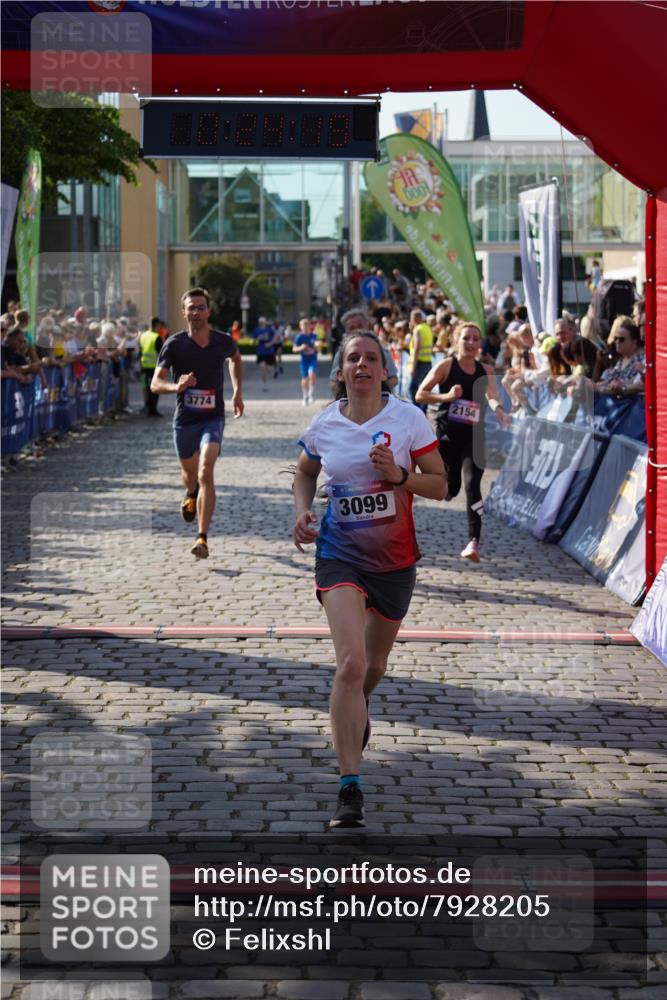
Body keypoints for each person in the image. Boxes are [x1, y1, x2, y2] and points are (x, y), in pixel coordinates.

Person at [293, 330, 446, 828]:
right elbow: (305, 472)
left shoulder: (407, 419)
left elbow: (443, 485)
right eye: (352, 358)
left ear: (385, 370)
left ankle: (356, 707)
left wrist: (401, 477)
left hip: (396, 563)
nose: (361, 365)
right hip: (339, 555)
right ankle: (349, 788)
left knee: (374, 666)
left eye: (371, 358)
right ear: (341, 371)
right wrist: (300, 511)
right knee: (351, 665)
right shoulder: (325, 425)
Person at [151, 287, 244, 559]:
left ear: (209, 311)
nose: (196, 312)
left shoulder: (222, 341)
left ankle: (202, 537)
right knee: (190, 476)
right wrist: (176, 386)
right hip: (185, 420)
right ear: (184, 313)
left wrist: (238, 390)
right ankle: (190, 492)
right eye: (191, 308)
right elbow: (156, 384)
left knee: (206, 471)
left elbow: (235, 358)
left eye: (200, 307)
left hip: (212, 418)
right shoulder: (174, 344)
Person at [416, 322, 511, 564]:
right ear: (457, 340)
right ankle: (448, 489)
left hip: (474, 437)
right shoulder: (447, 366)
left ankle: (474, 541)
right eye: (466, 338)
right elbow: (421, 394)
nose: (471, 343)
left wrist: (499, 410)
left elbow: (492, 396)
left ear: (480, 344)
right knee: (451, 488)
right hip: (448, 435)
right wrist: (446, 396)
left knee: (472, 485)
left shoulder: (486, 370)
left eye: (475, 339)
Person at [329, 309, 398, 395]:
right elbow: (333, 382)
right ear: (346, 331)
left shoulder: (382, 351)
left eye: (360, 326)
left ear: (367, 326)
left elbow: (394, 379)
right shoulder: (340, 355)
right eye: (351, 328)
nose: (356, 330)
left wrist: (373, 388)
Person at [407, 308, 434, 410]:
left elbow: (417, 347)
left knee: (412, 388)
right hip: (428, 362)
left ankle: (417, 410)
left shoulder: (418, 329)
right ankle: (423, 410)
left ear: (415, 318)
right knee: (425, 389)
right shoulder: (427, 328)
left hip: (419, 363)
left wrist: (413, 367)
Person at [139, 317, 164, 417]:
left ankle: (147, 407)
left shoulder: (143, 335)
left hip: (144, 366)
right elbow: (161, 353)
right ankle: (153, 409)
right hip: (154, 367)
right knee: (155, 388)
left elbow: (140, 351)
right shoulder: (156, 337)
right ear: (157, 325)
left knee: (146, 388)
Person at [293, 317, 319, 405]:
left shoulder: (314, 335)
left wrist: (317, 346)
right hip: (304, 360)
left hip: (312, 359)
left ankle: (311, 394)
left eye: (307, 325)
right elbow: (294, 349)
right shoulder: (299, 337)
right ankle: (305, 396)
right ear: (300, 327)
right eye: (303, 325)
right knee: (305, 378)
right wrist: (301, 347)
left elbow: (319, 348)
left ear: (310, 326)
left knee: (312, 374)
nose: (306, 327)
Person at [252, 315, 278, 390]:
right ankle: (264, 384)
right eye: (260, 322)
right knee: (262, 367)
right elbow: (253, 342)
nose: (262, 323)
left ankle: (271, 371)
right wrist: (257, 339)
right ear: (259, 322)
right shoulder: (256, 330)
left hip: (269, 352)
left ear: (265, 322)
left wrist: (271, 343)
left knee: (269, 370)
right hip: (260, 352)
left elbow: (276, 337)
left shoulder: (269, 330)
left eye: (263, 322)